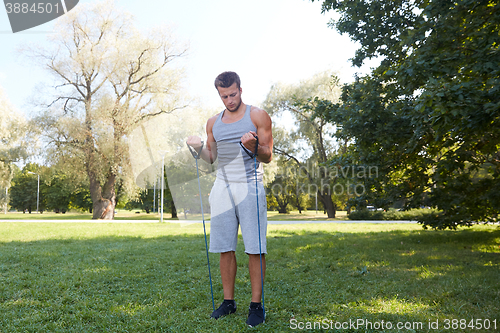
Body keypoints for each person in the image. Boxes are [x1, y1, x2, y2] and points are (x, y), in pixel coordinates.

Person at [187, 71, 273, 327]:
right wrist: (197, 148)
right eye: (224, 96)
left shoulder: (257, 115)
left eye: (233, 94)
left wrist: (253, 147)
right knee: (225, 247)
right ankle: (228, 302)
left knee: (255, 249)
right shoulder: (213, 123)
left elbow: (267, 155)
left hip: (250, 186)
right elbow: (211, 158)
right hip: (222, 187)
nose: (229, 100)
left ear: (240, 89)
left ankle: (256, 306)